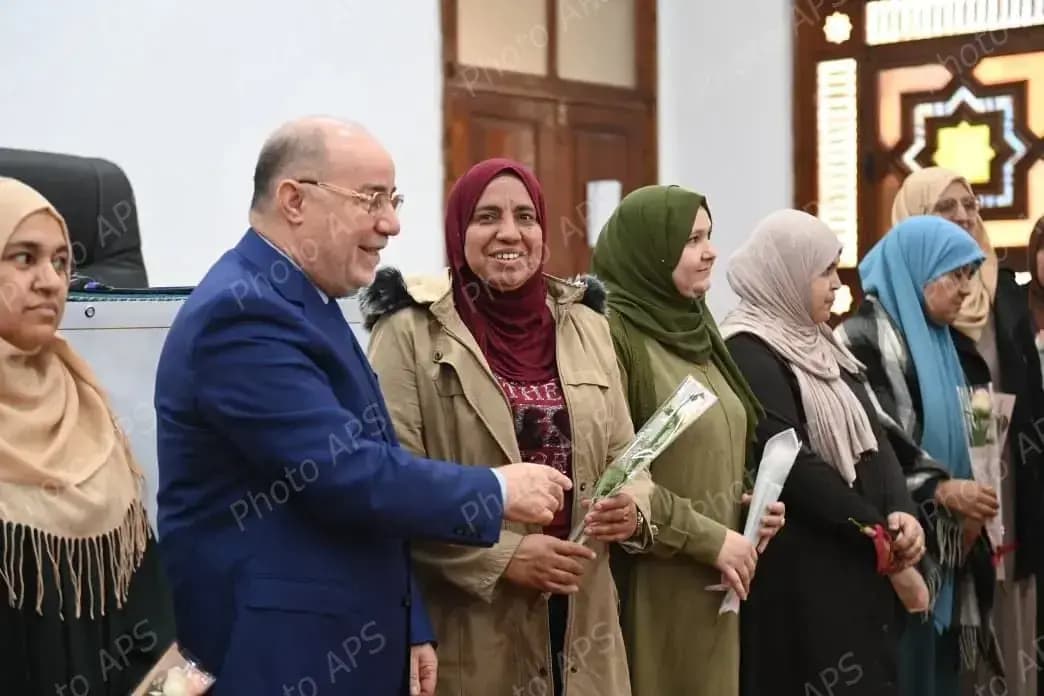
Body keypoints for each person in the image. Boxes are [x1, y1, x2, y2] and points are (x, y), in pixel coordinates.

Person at [154, 118, 572, 695]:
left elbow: (372, 469)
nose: (391, 223)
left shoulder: (306, 299)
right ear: (294, 200)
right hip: (283, 659)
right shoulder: (243, 314)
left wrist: (410, 622)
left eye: (393, 200)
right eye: (371, 199)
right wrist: (497, 490)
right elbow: (344, 472)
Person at [362, 158, 651, 696]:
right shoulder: (408, 332)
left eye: (525, 217)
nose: (510, 233)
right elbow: (389, 489)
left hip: (584, 622)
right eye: (487, 217)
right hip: (474, 629)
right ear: (459, 231)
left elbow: (627, 456)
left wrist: (634, 505)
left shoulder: (587, 324)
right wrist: (504, 558)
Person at [719, 209, 927, 696]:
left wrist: (902, 511)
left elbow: (874, 438)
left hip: (857, 564)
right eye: (825, 271)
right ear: (786, 274)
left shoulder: (822, 342)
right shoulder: (748, 349)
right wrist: (876, 530)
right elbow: (793, 462)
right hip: (804, 575)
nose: (837, 284)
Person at [589, 185, 784, 696]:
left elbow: (714, 444)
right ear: (648, 251)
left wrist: (746, 501)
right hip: (654, 582)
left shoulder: (697, 328)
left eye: (709, 236)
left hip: (718, 583)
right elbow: (616, 474)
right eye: (692, 239)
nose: (711, 250)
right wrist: (708, 538)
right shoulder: (614, 333)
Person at [0, 177, 174, 694]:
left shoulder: (85, 407)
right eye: (24, 258)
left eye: (60, 262)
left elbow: (144, 611)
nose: (51, 282)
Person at [893, 168, 1044, 696]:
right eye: (945, 206)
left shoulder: (1006, 294)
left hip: (1010, 481)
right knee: (953, 644)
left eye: (971, 204)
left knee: (1014, 629)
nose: (962, 215)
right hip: (942, 491)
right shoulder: (907, 304)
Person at [836, 215, 999, 696]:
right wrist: (942, 490)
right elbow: (875, 440)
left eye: (970, 276)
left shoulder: (947, 344)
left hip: (953, 547)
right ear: (918, 269)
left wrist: (974, 501)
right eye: (955, 274)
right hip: (898, 545)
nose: (966, 289)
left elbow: (974, 430)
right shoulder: (861, 338)